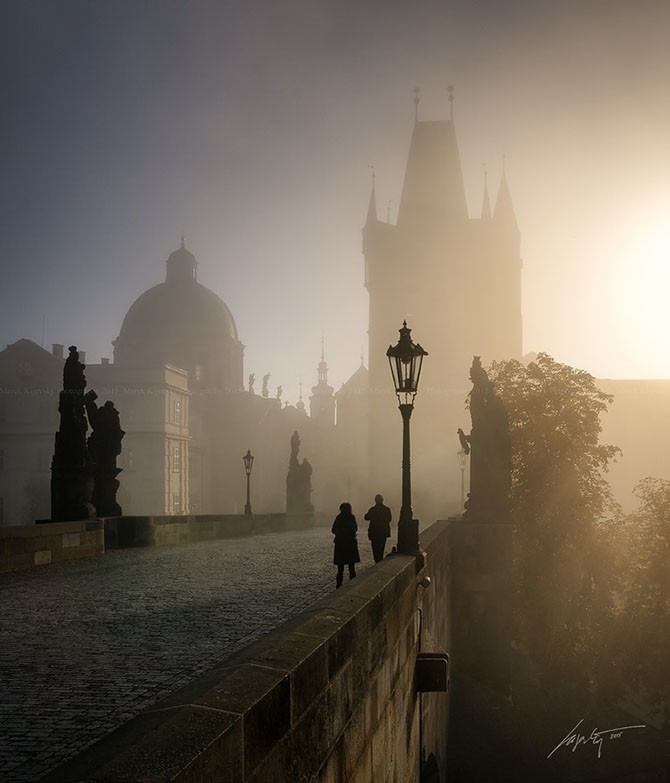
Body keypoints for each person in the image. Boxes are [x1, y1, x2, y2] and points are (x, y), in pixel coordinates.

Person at [332, 502, 360, 588]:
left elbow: (333, 530)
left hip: (340, 545)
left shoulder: (339, 518)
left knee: (340, 568)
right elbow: (356, 528)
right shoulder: (351, 518)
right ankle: (352, 584)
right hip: (350, 544)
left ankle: (339, 585)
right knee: (351, 567)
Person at [364, 494, 392, 562]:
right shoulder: (386, 509)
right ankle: (380, 560)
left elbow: (366, 517)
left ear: (375, 501)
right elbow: (389, 519)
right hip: (383, 532)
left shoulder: (372, 509)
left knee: (375, 548)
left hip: (374, 532)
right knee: (381, 547)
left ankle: (377, 560)